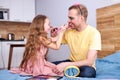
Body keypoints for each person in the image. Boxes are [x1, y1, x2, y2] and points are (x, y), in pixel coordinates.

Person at [52, 3, 101, 78]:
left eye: (71, 18)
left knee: (88, 73)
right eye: (68, 18)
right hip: (72, 62)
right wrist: (55, 35)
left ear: (81, 18)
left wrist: (65, 65)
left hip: (85, 66)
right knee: (50, 65)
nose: (68, 21)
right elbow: (54, 43)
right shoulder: (69, 31)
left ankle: (67, 71)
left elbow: (89, 61)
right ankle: (69, 72)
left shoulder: (94, 33)